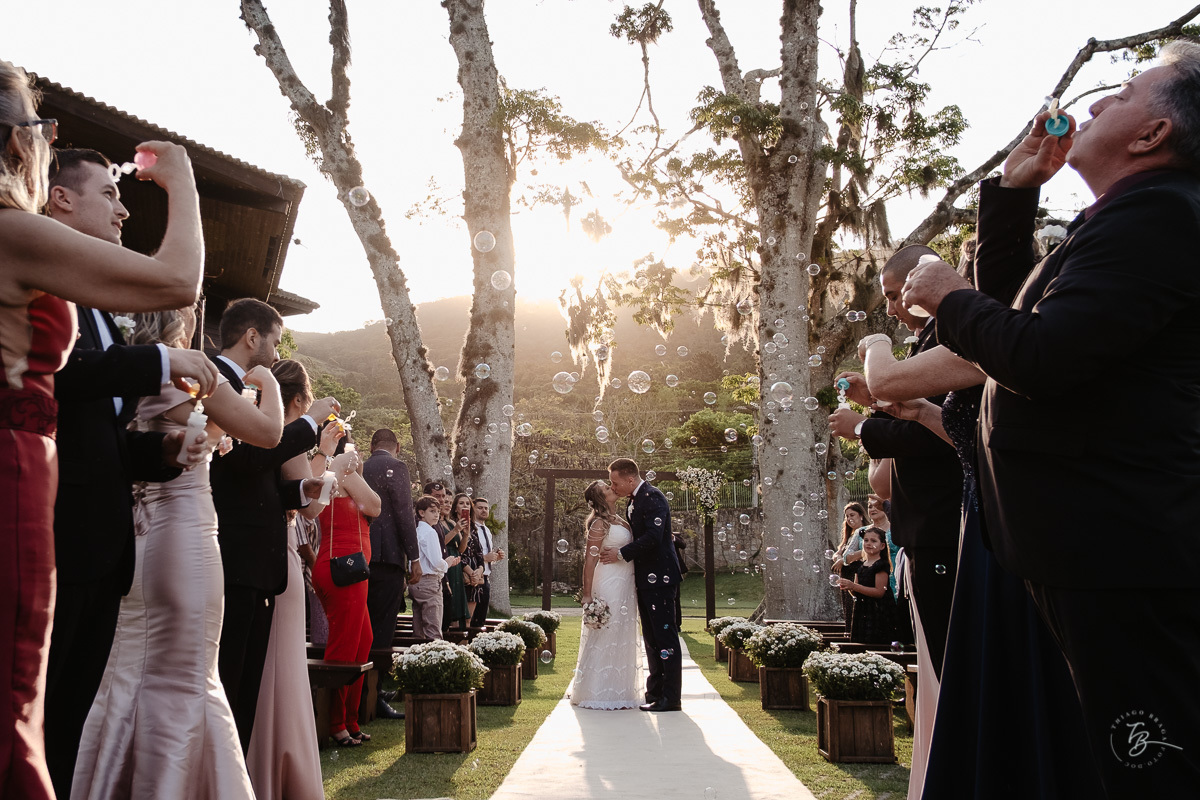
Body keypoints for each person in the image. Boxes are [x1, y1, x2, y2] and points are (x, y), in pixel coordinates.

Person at [900, 42, 1200, 793]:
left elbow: (1040, 357)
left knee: (1145, 766)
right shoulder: (1121, 222)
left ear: (1151, 134)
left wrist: (944, 295)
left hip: (1117, 556)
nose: (1097, 103)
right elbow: (1007, 330)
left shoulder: (1161, 218)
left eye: (1125, 92)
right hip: (1071, 556)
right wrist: (1011, 193)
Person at [0, 60, 205, 799]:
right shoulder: (17, 237)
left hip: (67, 504)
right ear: (20, 145)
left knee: (44, 714)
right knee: (23, 708)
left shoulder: (57, 273)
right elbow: (178, 281)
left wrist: (160, 449)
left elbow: (86, 411)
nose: (123, 212)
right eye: (39, 127)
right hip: (27, 493)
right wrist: (180, 179)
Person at [41, 148, 220, 798]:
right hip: (54, 536)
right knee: (37, 718)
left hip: (101, 547)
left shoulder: (93, 299)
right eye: (109, 196)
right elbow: (62, 379)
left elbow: (101, 425)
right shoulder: (40, 276)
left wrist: (162, 457)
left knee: (66, 725)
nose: (122, 210)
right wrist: (158, 362)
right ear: (61, 199)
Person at [72, 305, 288, 799]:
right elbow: (269, 433)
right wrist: (267, 386)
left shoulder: (128, 371)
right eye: (192, 312)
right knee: (189, 670)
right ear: (178, 322)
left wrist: (210, 437)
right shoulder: (191, 372)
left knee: (129, 664)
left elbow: (173, 438)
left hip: (136, 534)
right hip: (185, 531)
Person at [208, 298, 337, 753]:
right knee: (227, 680)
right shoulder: (218, 381)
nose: (277, 354)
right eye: (276, 342)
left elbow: (260, 476)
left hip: (259, 564)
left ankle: (236, 776)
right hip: (233, 558)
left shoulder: (252, 388)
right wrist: (308, 423)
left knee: (245, 688)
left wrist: (302, 493)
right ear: (252, 337)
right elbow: (245, 459)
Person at [246, 359, 331, 800]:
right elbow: (311, 506)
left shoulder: (254, 424)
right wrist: (328, 458)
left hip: (274, 550)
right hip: (277, 556)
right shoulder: (288, 432)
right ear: (299, 400)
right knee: (280, 665)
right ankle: (280, 767)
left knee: (270, 665)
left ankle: (260, 763)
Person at [312, 440, 381, 748]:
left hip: (342, 568)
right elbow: (375, 505)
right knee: (345, 646)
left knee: (362, 641)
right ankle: (335, 723)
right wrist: (352, 467)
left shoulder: (332, 473)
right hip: (345, 569)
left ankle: (351, 719)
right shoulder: (343, 472)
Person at [599, 458, 682, 712]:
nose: (614, 487)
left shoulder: (653, 497)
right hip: (646, 579)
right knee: (652, 639)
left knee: (665, 637)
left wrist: (621, 553)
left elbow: (653, 537)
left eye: (615, 482)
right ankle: (655, 692)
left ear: (630, 479)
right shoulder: (634, 501)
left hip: (661, 578)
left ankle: (671, 698)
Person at [361, 427, 419, 721]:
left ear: (371, 446)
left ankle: (364, 692)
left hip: (359, 556)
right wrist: (415, 557)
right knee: (382, 627)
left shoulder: (358, 465)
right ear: (396, 446)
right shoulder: (396, 466)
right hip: (387, 557)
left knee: (362, 625)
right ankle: (374, 694)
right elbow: (404, 512)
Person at [570, 480, 642, 710]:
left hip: (625, 584)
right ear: (600, 499)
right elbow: (590, 560)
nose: (613, 488)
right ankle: (596, 690)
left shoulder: (621, 520)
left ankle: (621, 689)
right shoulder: (599, 524)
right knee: (606, 632)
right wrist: (588, 594)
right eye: (607, 488)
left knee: (622, 632)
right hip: (608, 582)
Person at [411, 496, 461, 641]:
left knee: (418, 628)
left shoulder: (417, 530)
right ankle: (434, 660)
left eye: (438, 511)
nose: (436, 515)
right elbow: (436, 562)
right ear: (421, 513)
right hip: (430, 582)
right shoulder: (430, 532)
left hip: (416, 582)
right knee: (433, 629)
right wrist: (448, 562)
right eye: (432, 511)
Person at [837, 527, 896, 645]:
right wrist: (848, 587)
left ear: (882, 546)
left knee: (876, 643)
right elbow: (856, 591)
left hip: (878, 611)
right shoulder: (861, 565)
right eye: (866, 540)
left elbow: (879, 592)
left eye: (873, 541)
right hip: (862, 610)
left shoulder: (881, 565)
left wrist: (853, 586)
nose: (869, 543)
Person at [468, 496, 505, 628]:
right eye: (480, 508)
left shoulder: (487, 531)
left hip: (486, 579)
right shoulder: (470, 529)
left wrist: (495, 558)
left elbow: (486, 557)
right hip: (473, 578)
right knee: (471, 620)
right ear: (473, 509)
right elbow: (466, 554)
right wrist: (484, 558)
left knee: (481, 618)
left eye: (486, 508)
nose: (483, 510)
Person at [831, 502, 867, 626]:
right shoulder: (849, 536)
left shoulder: (866, 532)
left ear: (861, 516)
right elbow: (838, 553)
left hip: (858, 573)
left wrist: (843, 560)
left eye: (852, 515)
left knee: (855, 606)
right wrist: (838, 557)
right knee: (848, 607)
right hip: (846, 574)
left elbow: (865, 552)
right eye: (847, 516)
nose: (849, 519)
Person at [441, 493, 473, 632]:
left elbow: (460, 549)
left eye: (449, 502)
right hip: (446, 564)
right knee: (449, 609)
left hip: (456, 566)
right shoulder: (436, 523)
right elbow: (440, 544)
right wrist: (456, 530)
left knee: (459, 613)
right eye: (445, 502)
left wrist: (465, 534)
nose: (447, 504)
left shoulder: (451, 523)